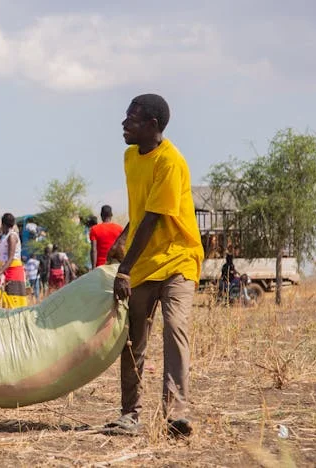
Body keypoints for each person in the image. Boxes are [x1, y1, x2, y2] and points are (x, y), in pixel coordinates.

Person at [102, 94, 204, 438]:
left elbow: (155, 220)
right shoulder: (131, 156)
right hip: (146, 260)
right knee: (133, 339)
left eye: (131, 118)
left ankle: (175, 414)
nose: (123, 123)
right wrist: (123, 239)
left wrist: (125, 269)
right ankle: (129, 414)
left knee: (175, 327)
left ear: (152, 126)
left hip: (178, 257)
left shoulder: (170, 162)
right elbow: (142, 212)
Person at [0, 213, 28, 309]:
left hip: (13, 270)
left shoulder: (12, 236)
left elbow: (11, 258)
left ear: (3, 224)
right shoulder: (5, 236)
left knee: (13, 301)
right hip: (6, 269)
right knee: (4, 301)